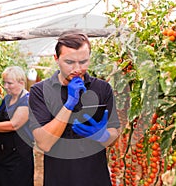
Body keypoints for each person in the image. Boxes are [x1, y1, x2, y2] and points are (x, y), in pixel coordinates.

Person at [28, 31, 121, 186]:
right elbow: (44, 143)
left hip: (96, 178)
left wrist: (103, 136)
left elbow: (114, 133)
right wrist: (69, 104)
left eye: (83, 61)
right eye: (69, 62)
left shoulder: (102, 88)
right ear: (56, 59)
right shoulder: (40, 91)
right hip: (59, 179)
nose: (77, 68)